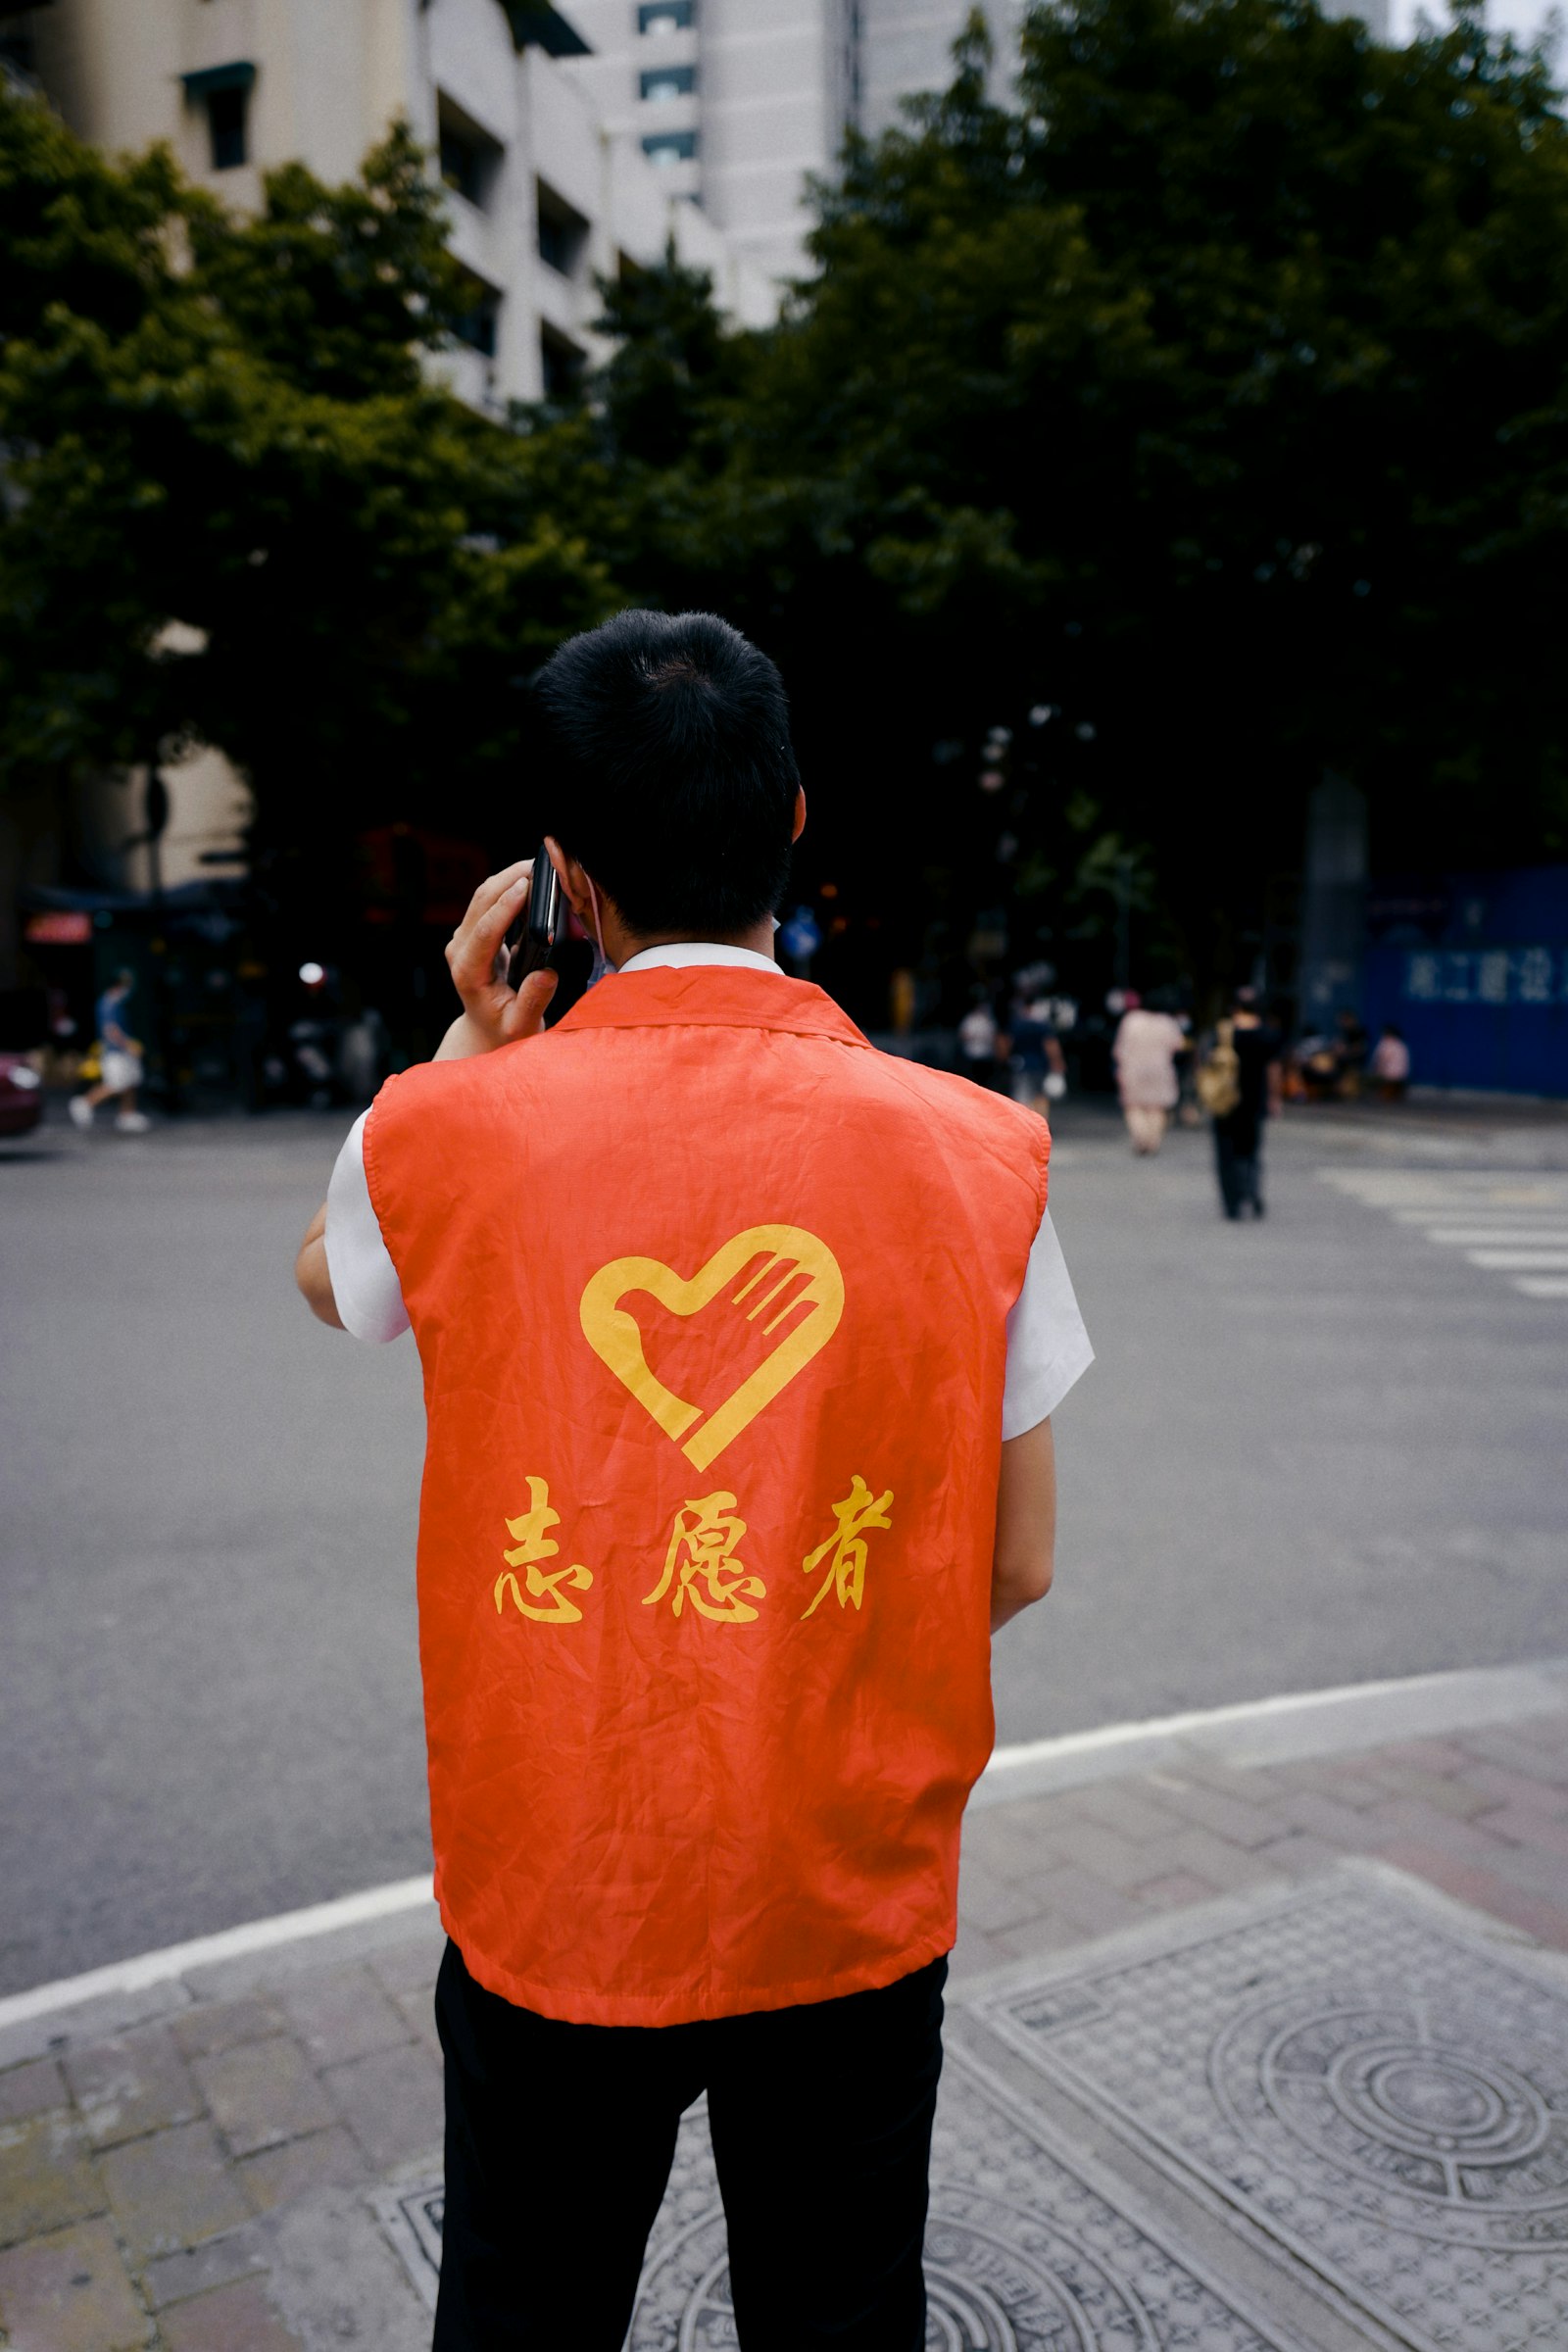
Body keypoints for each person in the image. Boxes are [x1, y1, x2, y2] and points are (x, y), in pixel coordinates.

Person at [293, 611, 1093, 2352]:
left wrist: (470, 1046)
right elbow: (1015, 1563)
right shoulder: (980, 1152)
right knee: (839, 2311)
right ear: (796, 820)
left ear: (563, 877)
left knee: (526, 2304)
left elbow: (335, 1276)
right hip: (843, 1887)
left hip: (556, 1881)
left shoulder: (435, 1138)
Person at [1209, 986, 1283, 1218]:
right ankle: (1251, 1190)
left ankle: (1232, 1202)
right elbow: (1274, 1069)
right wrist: (1274, 1097)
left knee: (1226, 1153)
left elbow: (1206, 1066)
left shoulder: (1222, 1033)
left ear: (1234, 1008)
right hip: (1254, 1102)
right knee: (1250, 1151)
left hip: (1224, 1102)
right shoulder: (1267, 1035)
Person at [69, 970, 149, 1133]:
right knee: (116, 1084)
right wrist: (128, 1045)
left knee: (130, 1082)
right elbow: (110, 1030)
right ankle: (85, 1102)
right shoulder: (108, 1004)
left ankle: (127, 1115)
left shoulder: (116, 1003)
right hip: (115, 1053)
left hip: (123, 1052)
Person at [1112, 990, 1186, 1153]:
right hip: (1160, 1069)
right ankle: (1153, 1141)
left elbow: (1119, 1048)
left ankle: (1141, 1138)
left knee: (1133, 1106)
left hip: (1132, 1069)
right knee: (1157, 1107)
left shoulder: (1131, 1020)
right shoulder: (1167, 1022)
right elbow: (1178, 1046)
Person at [1371, 1022, 1411, 1102]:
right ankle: (1393, 1091)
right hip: (1402, 1076)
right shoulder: (1401, 1044)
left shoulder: (1387, 1043)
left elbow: (1383, 1060)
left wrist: (1375, 1071)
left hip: (1390, 1076)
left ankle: (1388, 1091)